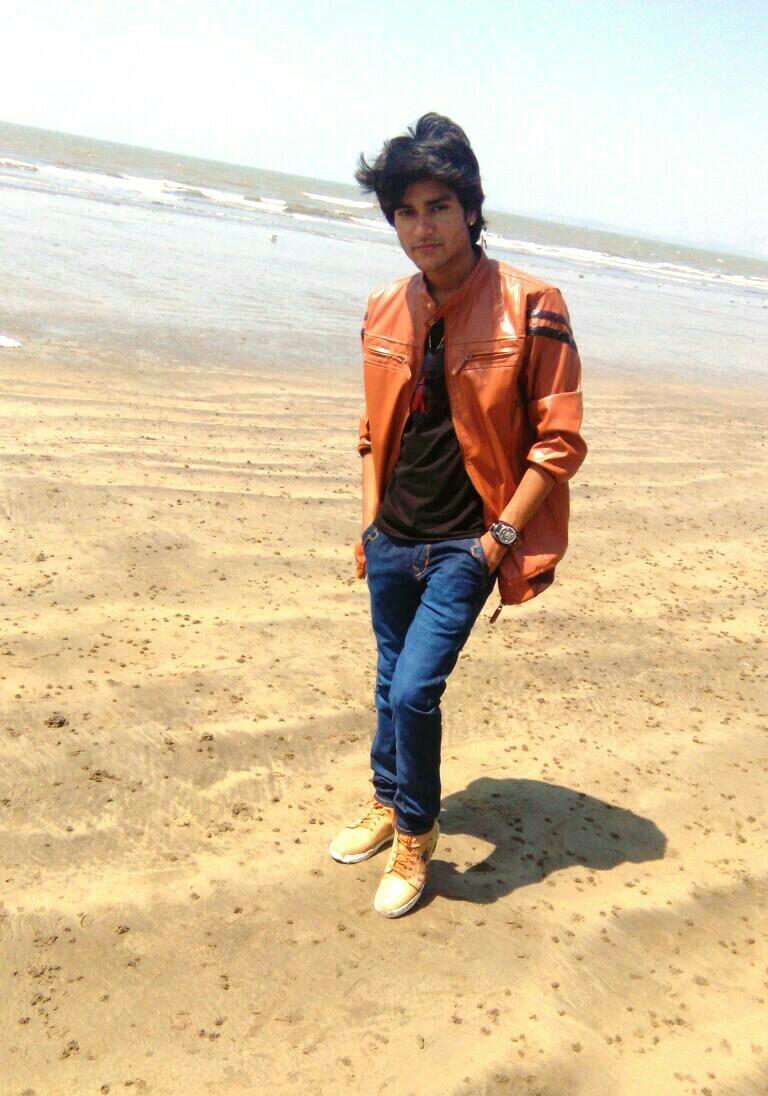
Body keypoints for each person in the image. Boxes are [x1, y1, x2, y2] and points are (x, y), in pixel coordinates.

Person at [329, 113, 587, 918]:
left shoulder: (531, 305)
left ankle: (416, 831)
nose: (422, 227)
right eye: (406, 212)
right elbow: (372, 433)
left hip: (464, 546)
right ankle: (385, 797)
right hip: (392, 535)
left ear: (471, 209)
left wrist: (498, 539)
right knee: (387, 681)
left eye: (438, 207)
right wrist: (369, 525)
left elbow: (559, 439)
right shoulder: (384, 307)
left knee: (414, 691)